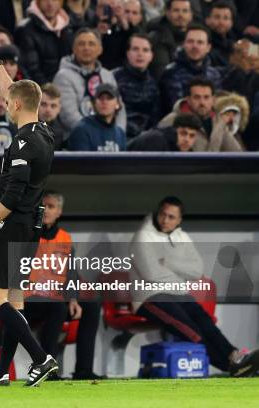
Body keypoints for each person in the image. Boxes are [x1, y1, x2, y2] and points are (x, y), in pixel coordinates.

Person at [0, 36, 59, 388]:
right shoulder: (44, 133)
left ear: (16, 104)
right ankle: (3, 372)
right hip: (30, 228)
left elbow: (11, 195)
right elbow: (15, 90)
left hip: (13, 224)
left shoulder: (23, 142)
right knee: (15, 301)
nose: (4, 103)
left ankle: (41, 358)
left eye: (7, 101)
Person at [130, 196, 259, 377]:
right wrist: (179, 270)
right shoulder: (143, 236)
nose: (165, 220)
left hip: (180, 294)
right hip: (151, 297)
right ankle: (231, 367)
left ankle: (235, 356)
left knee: (207, 324)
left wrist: (167, 262)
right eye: (162, 214)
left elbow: (197, 271)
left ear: (179, 220)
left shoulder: (183, 237)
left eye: (171, 217)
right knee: (192, 331)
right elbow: (151, 274)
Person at [22, 191, 102, 380]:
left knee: (91, 305)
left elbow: (71, 273)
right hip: (27, 299)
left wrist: (73, 298)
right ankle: (48, 369)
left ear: (59, 211)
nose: (46, 210)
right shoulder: (25, 234)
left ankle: (84, 370)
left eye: (51, 206)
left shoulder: (65, 238)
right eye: (43, 206)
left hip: (54, 298)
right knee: (57, 307)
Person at [54, 28, 127, 137]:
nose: (86, 48)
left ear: (100, 49)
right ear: (73, 49)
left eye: (91, 44)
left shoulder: (107, 75)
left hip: (109, 138)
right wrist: (94, 135)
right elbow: (69, 116)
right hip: (78, 139)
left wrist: (118, 134)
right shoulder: (63, 76)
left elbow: (119, 108)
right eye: (81, 44)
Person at [158, 76, 242, 151]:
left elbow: (236, 153)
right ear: (188, 99)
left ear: (213, 100)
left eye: (206, 97)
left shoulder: (218, 122)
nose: (202, 103)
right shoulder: (171, 120)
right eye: (197, 97)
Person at [159, 23, 221, 114]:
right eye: (190, 41)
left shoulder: (214, 74)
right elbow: (178, 107)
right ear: (184, 44)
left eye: (200, 42)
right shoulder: (171, 73)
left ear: (208, 48)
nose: (195, 46)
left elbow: (218, 105)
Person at [14, 0, 73, 86]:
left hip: (66, 86)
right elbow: (31, 69)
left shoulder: (68, 28)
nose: (50, 3)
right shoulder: (25, 30)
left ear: (61, 2)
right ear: (38, 2)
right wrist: (47, 89)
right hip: (41, 90)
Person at [113, 33, 161, 139]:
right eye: (135, 49)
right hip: (119, 135)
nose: (140, 54)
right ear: (127, 53)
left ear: (151, 56)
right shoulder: (113, 78)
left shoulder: (154, 83)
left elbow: (155, 117)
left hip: (147, 138)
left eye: (145, 50)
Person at [67, 83, 127, 151]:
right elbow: (81, 161)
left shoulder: (120, 134)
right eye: (101, 98)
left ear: (118, 104)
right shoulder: (81, 131)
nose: (104, 102)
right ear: (94, 103)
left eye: (109, 98)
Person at [146, 0, 193, 79]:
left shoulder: (195, 35)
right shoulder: (157, 38)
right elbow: (162, 75)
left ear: (191, 15)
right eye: (176, 10)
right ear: (167, 13)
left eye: (185, 11)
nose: (180, 15)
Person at [128, 112, 203, 150]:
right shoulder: (156, 140)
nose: (187, 139)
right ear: (174, 130)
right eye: (183, 133)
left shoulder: (188, 153)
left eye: (192, 136)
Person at [205, 1, 237, 68]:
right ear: (207, 20)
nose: (221, 22)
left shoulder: (233, 44)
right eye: (217, 17)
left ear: (231, 22)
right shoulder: (203, 43)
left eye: (226, 18)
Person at [38, 83, 65, 147]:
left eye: (53, 106)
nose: (48, 110)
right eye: (44, 104)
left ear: (59, 109)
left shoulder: (59, 132)